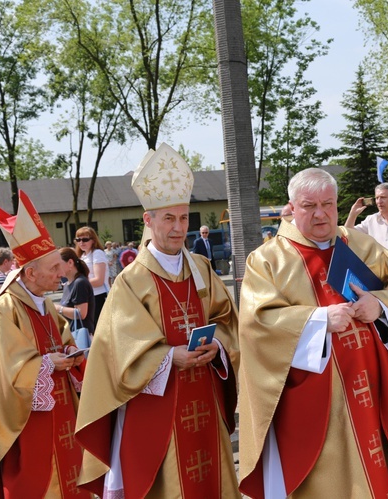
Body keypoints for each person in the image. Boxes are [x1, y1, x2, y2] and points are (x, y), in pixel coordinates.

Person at [239, 168, 388, 498]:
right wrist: (318, 320)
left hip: (373, 394)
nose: (320, 214)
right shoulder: (268, 260)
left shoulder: (361, 245)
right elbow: (257, 325)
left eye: (328, 204)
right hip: (314, 408)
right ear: (291, 207)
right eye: (309, 205)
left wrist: (380, 306)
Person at [75, 143, 240, 498]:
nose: (179, 228)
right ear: (148, 220)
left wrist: (220, 344)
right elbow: (117, 349)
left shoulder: (202, 268)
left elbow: (228, 320)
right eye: (169, 219)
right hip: (157, 407)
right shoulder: (131, 281)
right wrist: (168, 357)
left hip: (206, 398)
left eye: (184, 218)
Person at [0, 190, 89, 498]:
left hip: (62, 412)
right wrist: (45, 365)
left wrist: (71, 351)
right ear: (30, 273)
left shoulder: (44, 303)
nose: (62, 275)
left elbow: (62, 336)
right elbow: (0, 372)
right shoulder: (5, 310)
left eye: (61, 267)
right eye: (54, 270)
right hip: (29, 422)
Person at [57, 247, 96, 337]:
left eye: (59, 265)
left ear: (70, 262)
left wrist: (58, 309)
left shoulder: (80, 283)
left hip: (81, 337)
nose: (56, 269)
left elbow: (81, 314)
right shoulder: (68, 284)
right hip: (72, 335)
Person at [75, 226, 109, 325]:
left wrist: (78, 285)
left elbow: (99, 280)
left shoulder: (97, 253)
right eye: (78, 239)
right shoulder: (82, 256)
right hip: (87, 297)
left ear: (93, 241)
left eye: (85, 239)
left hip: (98, 296)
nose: (81, 242)